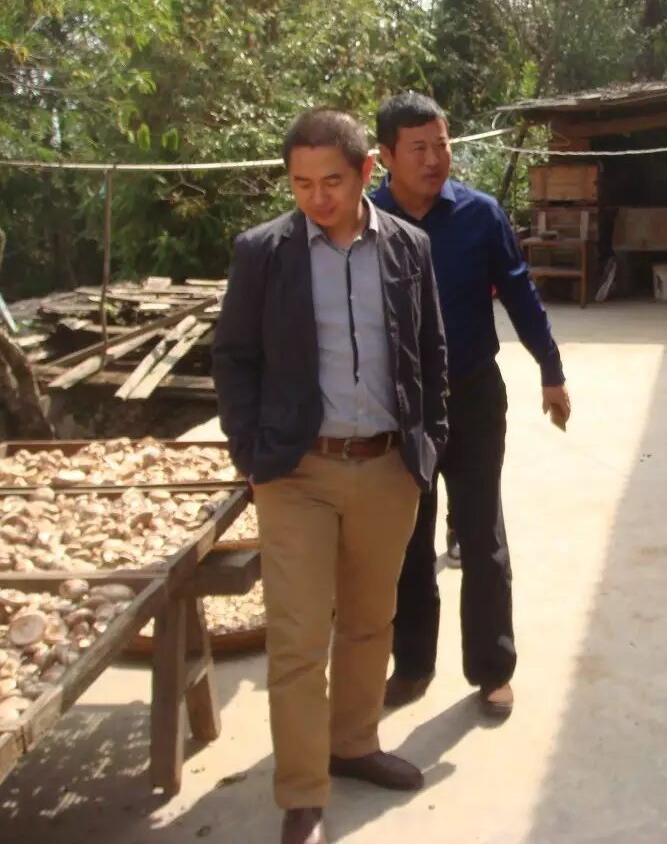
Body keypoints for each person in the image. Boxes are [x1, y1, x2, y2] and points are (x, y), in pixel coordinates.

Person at [212, 109, 448, 844]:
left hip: (386, 467)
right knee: (298, 636)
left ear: (366, 172)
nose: (317, 198)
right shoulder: (263, 253)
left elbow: (431, 351)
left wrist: (428, 443)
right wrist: (251, 455)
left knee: (371, 621)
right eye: (301, 183)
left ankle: (353, 745)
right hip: (296, 473)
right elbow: (234, 358)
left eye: (332, 182)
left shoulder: (409, 247)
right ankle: (302, 791)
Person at [372, 92, 570, 717]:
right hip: (399, 406)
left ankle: (492, 668)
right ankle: (412, 664)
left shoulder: (480, 214)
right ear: (386, 156)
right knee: (408, 539)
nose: (435, 159)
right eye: (419, 149)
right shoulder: (366, 220)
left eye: (442, 145)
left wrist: (551, 369)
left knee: (482, 534)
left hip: (475, 394)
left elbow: (518, 292)